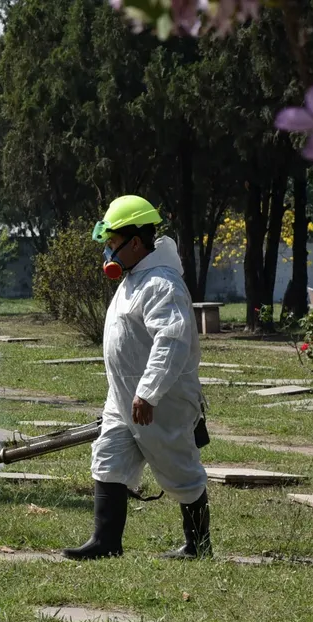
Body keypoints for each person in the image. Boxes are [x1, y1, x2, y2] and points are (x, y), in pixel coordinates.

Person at [62, 195, 212, 561]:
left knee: (180, 471)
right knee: (108, 458)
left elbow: (171, 342)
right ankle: (105, 543)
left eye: (112, 245)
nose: (107, 254)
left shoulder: (162, 284)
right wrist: (127, 394)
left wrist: (148, 393)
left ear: (135, 243)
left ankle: (198, 547)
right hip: (123, 397)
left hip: (162, 400)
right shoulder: (134, 280)